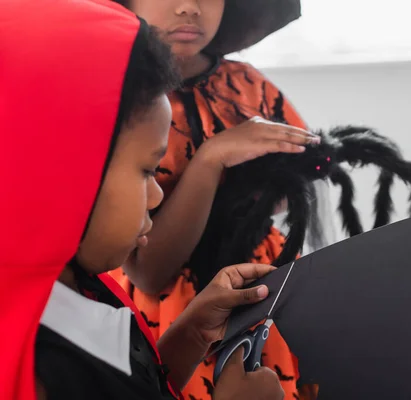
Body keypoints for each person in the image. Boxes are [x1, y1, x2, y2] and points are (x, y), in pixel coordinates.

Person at [0, 1, 292, 399]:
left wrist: (192, 332)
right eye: (146, 171)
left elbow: (136, 384)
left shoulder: (85, 288)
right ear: (61, 175)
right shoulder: (37, 373)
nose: (156, 194)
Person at [108, 0, 322, 398]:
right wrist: (212, 159)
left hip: (267, 286)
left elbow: (298, 175)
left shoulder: (247, 83)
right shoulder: (125, 103)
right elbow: (150, 274)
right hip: (179, 315)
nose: (189, 7)